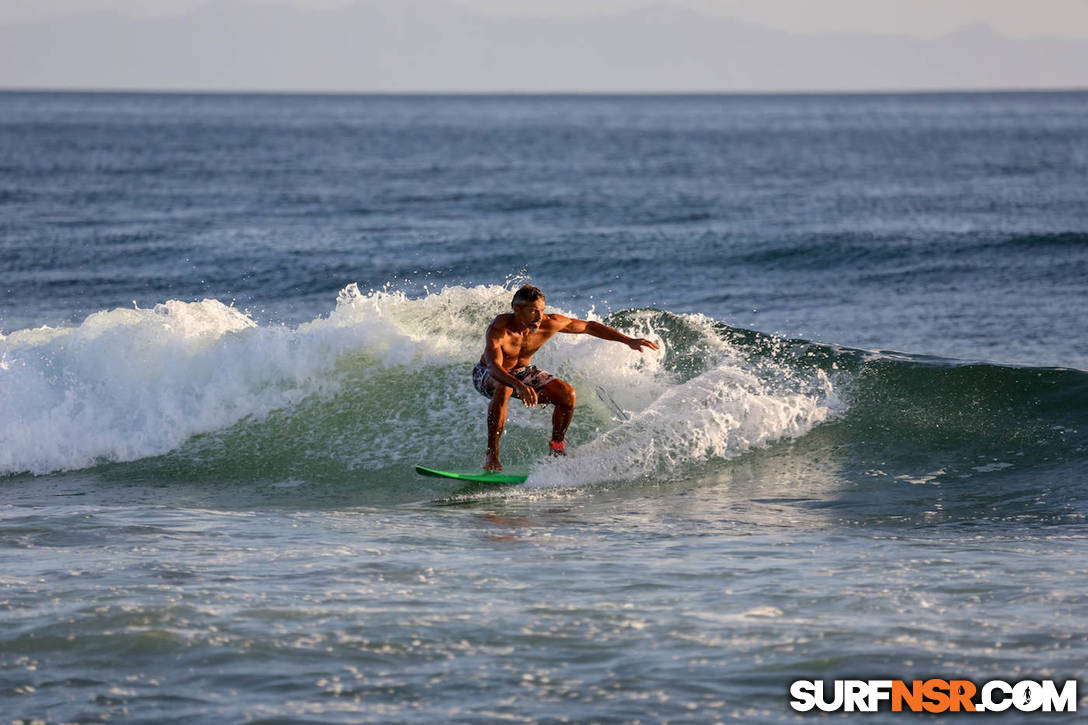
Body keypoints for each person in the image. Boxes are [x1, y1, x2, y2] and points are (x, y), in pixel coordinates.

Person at [473, 285, 659, 471]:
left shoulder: (549, 323)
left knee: (567, 395)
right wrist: (519, 386)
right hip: (487, 374)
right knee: (504, 387)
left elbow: (589, 327)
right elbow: (493, 367)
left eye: (542, 311)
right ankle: (492, 456)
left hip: (522, 372)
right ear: (517, 310)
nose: (539, 317)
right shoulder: (500, 328)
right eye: (532, 311)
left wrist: (628, 340)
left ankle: (557, 449)